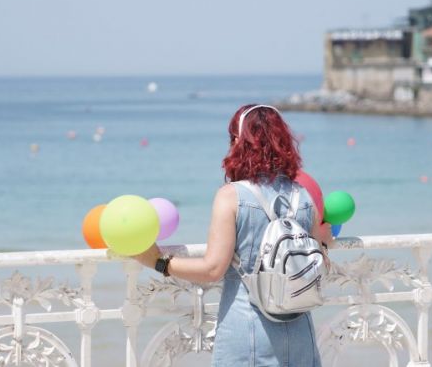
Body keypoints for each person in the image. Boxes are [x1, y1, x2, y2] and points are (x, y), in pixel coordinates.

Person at [134, 104, 332, 366]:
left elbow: (213, 268)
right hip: (299, 331)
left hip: (248, 329)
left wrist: (158, 262)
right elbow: (320, 254)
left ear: (239, 142)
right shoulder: (303, 195)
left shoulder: (232, 196)